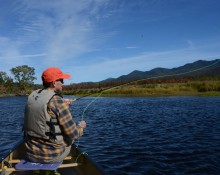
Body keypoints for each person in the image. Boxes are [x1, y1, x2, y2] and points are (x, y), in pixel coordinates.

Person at [23, 67, 86, 166]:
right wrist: (81, 127)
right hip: (51, 156)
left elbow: (46, 106)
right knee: (70, 138)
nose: (63, 82)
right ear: (54, 82)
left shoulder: (33, 96)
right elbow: (73, 134)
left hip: (30, 153)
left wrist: (62, 103)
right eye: (61, 80)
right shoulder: (57, 101)